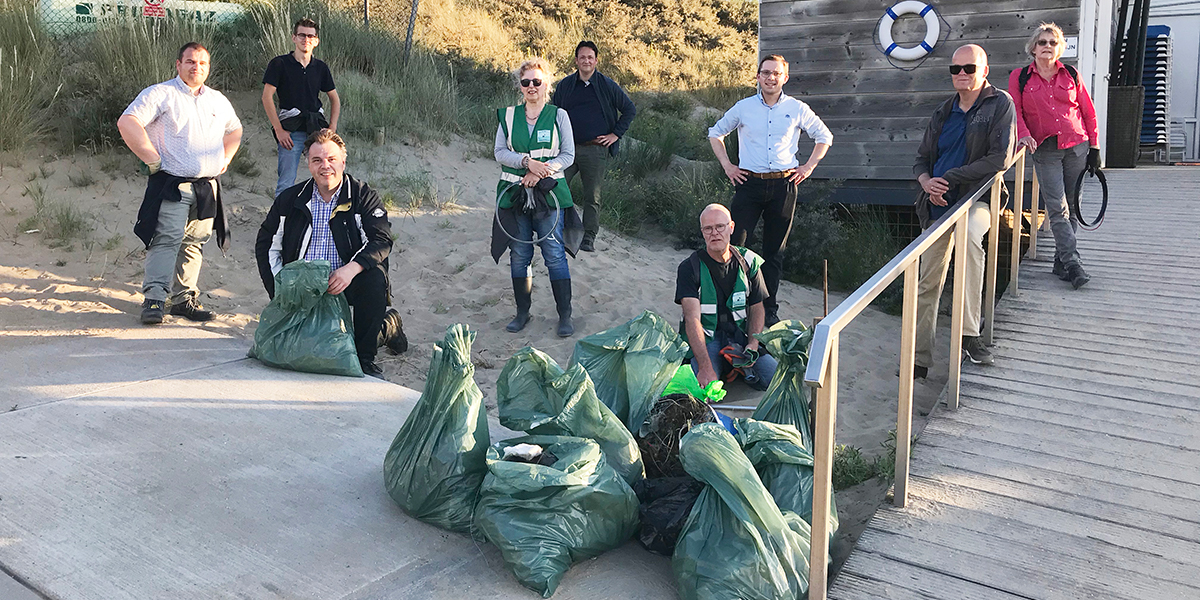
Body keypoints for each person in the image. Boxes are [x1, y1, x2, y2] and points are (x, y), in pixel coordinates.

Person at [254, 129, 406, 378]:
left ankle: (366, 356)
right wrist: (279, 288)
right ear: (308, 164)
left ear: (343, 162)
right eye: (317, 160)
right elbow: (266, 243)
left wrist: (351, 269)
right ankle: (386, 327)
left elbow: (381, 240)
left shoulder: (363, 196)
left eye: (331, 159)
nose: (325, 166)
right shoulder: (291, 199)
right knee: (301, 350)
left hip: (346, 281)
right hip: (304, 286)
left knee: (374, 279)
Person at [118, 42, 243, 325]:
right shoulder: (161, 94)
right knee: (165, 240)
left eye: (202, 63)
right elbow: (128, 122)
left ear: (208, 68)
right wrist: (150, 156)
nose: (196, 67)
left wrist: (226, 157)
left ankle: (184, 299)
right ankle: (154, 299)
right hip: (173, 185)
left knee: (194, 243)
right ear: (178, 64)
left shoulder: (217, 100)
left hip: (206, 187)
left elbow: (235, 129)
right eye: (190, 62)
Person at [912, 44, 1016, 378]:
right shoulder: (943, 111)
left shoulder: (999, 104)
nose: (961, 75)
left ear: (984, 70)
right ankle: (919, 357)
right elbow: (920, 159)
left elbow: (999, 158)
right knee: (928, 280)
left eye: (969, 68)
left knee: (971, 238)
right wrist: (929, 183)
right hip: (938, 202)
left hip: (978, 198)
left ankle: (969, 335)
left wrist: (951, 178)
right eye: (955, 69)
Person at [708, 54, 833, 327]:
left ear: (784, 77)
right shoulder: (743, 107)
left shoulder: (797, 108)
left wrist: (809, 167)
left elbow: (824, 137)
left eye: (776, 73)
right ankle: (731, 304)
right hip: (748, 183)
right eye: (765, 73)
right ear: (758, 76)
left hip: (784, 185)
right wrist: (728, 166)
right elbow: (715, 133)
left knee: (774, 252)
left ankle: (768, 307)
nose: (770, 77)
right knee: (736, 245)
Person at [1009, 22, 1098, 290]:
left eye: (1052, 43)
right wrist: (1023, 134)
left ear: (1059, 48)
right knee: (1057, 208)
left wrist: (1095, 148)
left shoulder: (1070, 74)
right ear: (1033, 48)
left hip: (1077, 146)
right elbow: (1016, 111)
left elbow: (1088, 111)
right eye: (1042, 42)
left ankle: (1061, 262)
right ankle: (1073, 264)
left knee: (1073, 206)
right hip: (1044, 149)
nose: (1047, 46)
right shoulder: (1020, 77)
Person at [493, 57, 577, 337]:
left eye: (537, 82)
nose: (531, 86)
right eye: (526, 81)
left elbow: (568, 155)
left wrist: (541, 172)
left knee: (554, 254)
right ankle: (522, 313)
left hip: (549, 195)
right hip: (515, 194)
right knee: (519, 255)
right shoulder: (508, 116)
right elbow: (499, 152)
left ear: (546, 85)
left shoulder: (559, 115)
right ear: (520, 85)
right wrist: (526, 162)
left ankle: (564, 316)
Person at [676, 204, 779, 391]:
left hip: (739, 337)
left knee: (777, 380)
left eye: (720, 227)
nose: (714, 233)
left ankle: (736, 367)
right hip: (707, 341)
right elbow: (691, 319)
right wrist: (705, 367)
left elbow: (757, 307)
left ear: (731, 227)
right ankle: (721, 366)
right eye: (708, 228)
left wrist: (752, 345)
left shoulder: (750, 261)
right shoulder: (689, 267)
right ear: (702, 232)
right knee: (703, 390)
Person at [550, 40, 636, 252]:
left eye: (590, 57)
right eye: (582, 57)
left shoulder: (606, 85)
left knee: (592, 196)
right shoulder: (565, 85)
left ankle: (589, 237)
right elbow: (553, 112)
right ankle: (557, 229)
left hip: (595, 149)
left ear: (596, 60)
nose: (586, 61)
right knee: (556, 188)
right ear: (576, 61)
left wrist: (615, 134)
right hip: (566, 149)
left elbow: (629, 109)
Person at [262, 17, 340, 198]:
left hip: (317, 129)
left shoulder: (320, 67)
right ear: (294, 38)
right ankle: (281, 224)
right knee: (286, 183)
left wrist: (332, 128)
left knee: (326, 176)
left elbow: (335, 99)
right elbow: (267, 97)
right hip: (291, 130)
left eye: (310, 36)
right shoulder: (279, 64)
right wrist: (279, 129)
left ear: (316, 41)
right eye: (302, 35)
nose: (306, 39)